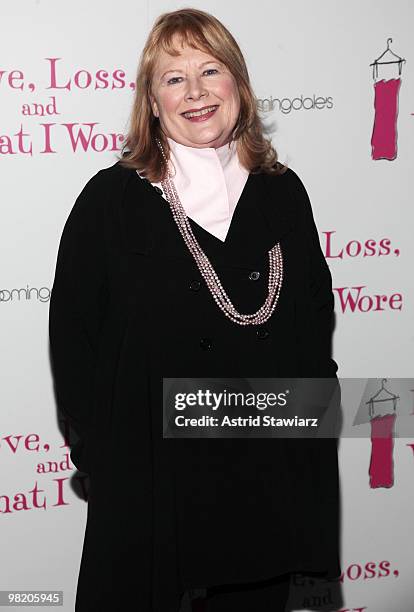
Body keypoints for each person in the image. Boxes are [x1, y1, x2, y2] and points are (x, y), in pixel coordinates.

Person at [49, 7, 341, 612]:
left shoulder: (283, 190)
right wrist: (104, 461)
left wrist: (310, 453)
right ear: (152, 103)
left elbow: (314, 329)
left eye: (211, 70)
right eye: (173, 78)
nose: (196, 92)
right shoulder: (112, 200)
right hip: (156, 492)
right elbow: (73, 340)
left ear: (239, 83)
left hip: (272, 490)